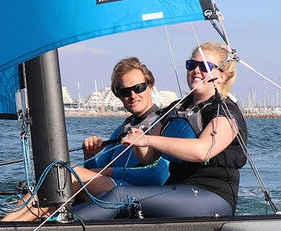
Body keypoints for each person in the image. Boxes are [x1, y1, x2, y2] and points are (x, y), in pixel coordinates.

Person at [71, 41, 248, 219]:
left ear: (222, 77)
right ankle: (60, 220)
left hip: (212, 197)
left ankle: (60, 226)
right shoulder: (174, 109)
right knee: (93, 186)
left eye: (205, 67)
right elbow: (149, 157)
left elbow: (203, 151)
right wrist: (140, 143)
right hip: (176, 190)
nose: (196, 70)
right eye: (191, 65)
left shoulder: (226, 112)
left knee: (120, 195)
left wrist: (148, 139)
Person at [2, 57, 169, 221]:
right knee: (59, 183)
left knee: (67, 175)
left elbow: (159, 175)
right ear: (119, 95)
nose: (133, 95)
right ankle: (10, 226)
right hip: (111, 192)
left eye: (139, 88)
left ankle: (9, 226)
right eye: (125, 92)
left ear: (150, 87)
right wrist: (89, 156)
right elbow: (94, 171)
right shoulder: (122, 129)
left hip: (142, 196)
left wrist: (108, 172)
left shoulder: (163, 122)